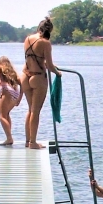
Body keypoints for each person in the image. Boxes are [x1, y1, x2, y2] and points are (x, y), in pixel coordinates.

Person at [21, 17, 61, 150]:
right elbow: (49, 65)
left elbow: (33, 57)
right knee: (35, 111)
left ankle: (28, 140)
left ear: (39, 28)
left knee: (30, 109)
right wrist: (58, 73)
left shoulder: (27, 39)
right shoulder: (45, 43)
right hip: (38, 77)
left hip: (25, 76)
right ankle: (33, 142)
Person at [0, 56, 24, 146]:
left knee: (1, 116)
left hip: (6, 90)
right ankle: (9, 137)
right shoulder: (13, 73)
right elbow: (22, 84)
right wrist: (20, 98)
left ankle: (9, 138)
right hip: (15, 94)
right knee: (6, 114)